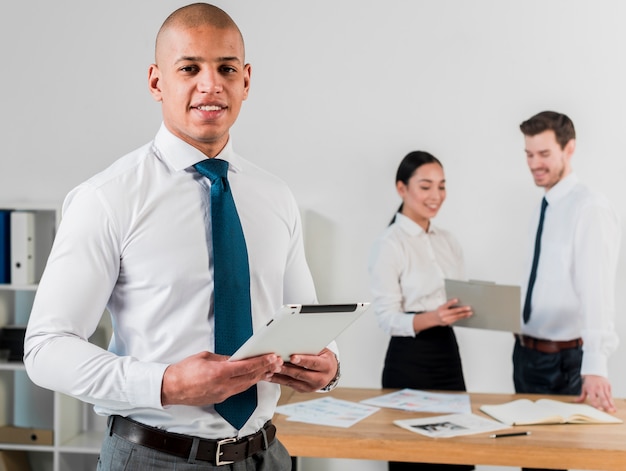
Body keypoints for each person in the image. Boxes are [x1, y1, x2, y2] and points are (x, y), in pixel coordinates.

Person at [23, 4, 339, 470]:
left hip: (264, 454)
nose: (210, 85)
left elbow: (305, 318)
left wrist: (328, 365)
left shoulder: (275, 196)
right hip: (153, 456)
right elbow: (46, 347)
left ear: (246, 80)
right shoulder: (107, 198)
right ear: (156, 82)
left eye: (226, 68)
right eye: (189, 67)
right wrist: (166, 383)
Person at [514, 111, 620, 471]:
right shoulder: (542, 206)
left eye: (543, 154)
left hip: (562, 364)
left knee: (552, 464)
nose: (534, 164)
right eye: (529, 154)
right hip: (527, 356)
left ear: (569, 148)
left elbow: (598, 290)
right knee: (530, 462)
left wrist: (595, 365)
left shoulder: (588, 207)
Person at [368, 151, 474, 471]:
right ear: (402, 188)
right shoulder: (390, 243)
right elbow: (387, 318)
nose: (436, 196)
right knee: (412, 458)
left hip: (448, 355)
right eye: (426, 186)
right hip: (409, 359)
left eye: (441, 187)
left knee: (458, 454)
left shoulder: (448, 240)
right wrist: (434, 318)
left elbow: (457, 297)